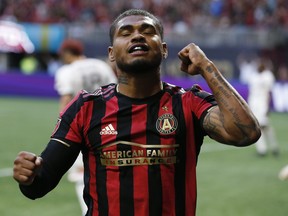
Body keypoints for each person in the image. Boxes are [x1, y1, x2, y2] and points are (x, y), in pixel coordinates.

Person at [13, 9, 261, 216]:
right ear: (111, 53)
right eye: (126, 33)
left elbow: (246, 133)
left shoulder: (189, 102)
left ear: (163, 49)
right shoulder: (85, 107)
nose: (138, 36)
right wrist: (30, 175)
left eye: (148, 31)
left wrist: (207, 67)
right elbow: (41, 183)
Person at [54, 39, 117, 215]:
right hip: (109, 125)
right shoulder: (100, 65)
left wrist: (61, 129)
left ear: (67, 53)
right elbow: (116, 90)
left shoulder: (67, 71)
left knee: (82, 176)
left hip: (82, 128)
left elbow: (66, 101)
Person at [246, 58, 279, 157]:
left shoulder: (268, 76)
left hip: (262, 105)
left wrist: (269, 106)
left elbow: (270, 92)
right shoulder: (253, 76)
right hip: (253, 105)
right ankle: (263, 149)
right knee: (258, 127)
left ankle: (273, 147)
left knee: (264, 127)